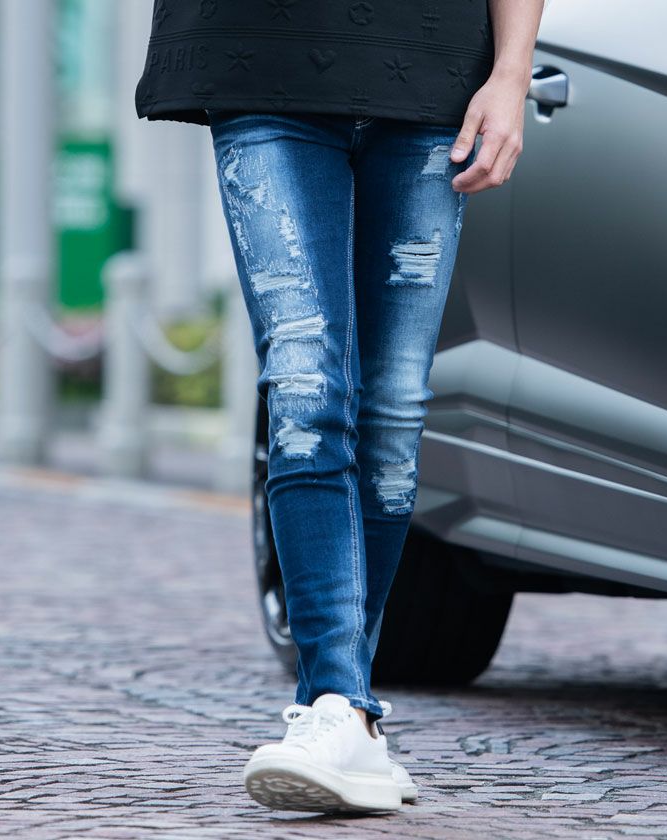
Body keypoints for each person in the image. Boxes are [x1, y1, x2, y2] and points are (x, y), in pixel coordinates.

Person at [136, 0, 544, 814]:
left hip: (430, 69)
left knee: (392, 414)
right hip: (260, 58)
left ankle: (348, 717)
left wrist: (511, 73)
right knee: (304, 386)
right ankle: (338, 702)